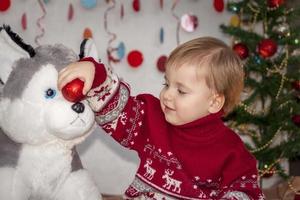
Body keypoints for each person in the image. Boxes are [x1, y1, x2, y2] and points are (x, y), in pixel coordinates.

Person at [58, 37, 265, 200]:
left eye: (181, 91)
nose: (167, 95)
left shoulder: (230, 149)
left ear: (214, 102)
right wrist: (96, 75)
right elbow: (121, 110)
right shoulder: (152, 117)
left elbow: (245, 189)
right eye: (167, 84)